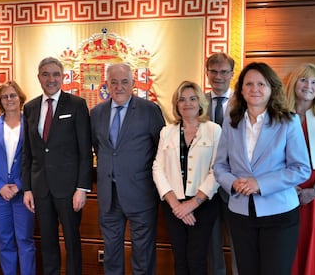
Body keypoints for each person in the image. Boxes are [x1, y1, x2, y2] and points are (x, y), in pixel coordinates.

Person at [213, 62, 311, 275]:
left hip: (280, 214)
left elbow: (301, 168)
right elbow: (220, 166)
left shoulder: (288, 121)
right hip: (240, 214)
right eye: (248, 84)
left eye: (261, 84)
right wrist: (233, 182)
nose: (254, 89)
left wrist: (260, 184)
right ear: (241, 89)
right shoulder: (231, 122)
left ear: (271, 88)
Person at [90, 63, 165, 274]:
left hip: (141, 193)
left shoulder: (149, 110)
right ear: (107, 84)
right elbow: (99, 148)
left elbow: (161, 149)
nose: (119, 87)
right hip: (108, 196)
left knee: (143, 255)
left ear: (132, 83)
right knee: (111, 256)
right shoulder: (97, 113)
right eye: (113, 82)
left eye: (124, 82)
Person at [21, 57, 92, 275]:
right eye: (46, 74)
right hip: (41, 188)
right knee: (48, 243)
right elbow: (28, 152)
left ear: (63, 77)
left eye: (55, 74)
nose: (51, 79)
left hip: (69, 190)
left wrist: (82, 188)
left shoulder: (77, 104)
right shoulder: (30, 107)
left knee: (72, 241)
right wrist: (27, 188)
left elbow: (85, 151)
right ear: (39, 77)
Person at [152, 80, 221, 274]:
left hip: (203, 204)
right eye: (181, 100)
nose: (187, 103)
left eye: (192, 98)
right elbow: (158, 168)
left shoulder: (213, 130)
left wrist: (192, 204)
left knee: (197, 260)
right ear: (176, 105)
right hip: (173, 205)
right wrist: (176, 205)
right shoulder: (167, 132)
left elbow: (217, 170)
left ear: (200, 103)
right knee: (180, 260)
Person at [285, 63, 315, 275]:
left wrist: (314, 190)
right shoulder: (279, 114)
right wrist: (291, 187)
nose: (309, 86)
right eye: (304, 80)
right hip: (285, 187)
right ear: (294, 83)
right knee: (288, 245)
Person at [0, 81, 36, 275]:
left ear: (20, 98)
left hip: (24, 194)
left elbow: (35, 158)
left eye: (13, 95)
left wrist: (18, 185)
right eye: (5, 96)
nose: (9, 99)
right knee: (5, 240)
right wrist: (0, 186)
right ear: (0, 101)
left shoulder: (30, 124)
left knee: (25, 240)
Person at [204, 52, 238, 275]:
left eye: (224, 72)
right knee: (211, 246)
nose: (219, 77)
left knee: (239, 246)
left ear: (232, 74)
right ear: (207, 73)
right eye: (214, 72)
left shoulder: (244, 102)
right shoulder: (197, 101)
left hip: (235, 187)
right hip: (205, 186)